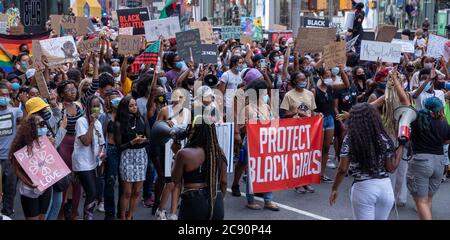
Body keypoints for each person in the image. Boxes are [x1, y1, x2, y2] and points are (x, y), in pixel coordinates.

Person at [329, 103, 405, 220]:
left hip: (363, 188)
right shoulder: (384, 138)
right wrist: (402, 145)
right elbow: (392, 167)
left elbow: (342, 169)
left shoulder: (350, 138)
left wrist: (334, 188)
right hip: (385, 188)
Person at [172, 116, 227, 220]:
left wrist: (175, 154)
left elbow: (175, 180)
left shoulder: (184, 154)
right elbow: (223, 181)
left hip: (194, 201)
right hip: (216, 199)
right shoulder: (219, 151)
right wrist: (221, 199)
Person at [407, 97, 450, 220]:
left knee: (421, 201)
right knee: (427, 200)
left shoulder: (417, 120)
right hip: (439, 163)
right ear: (440, 109)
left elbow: (406, 103)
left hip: (421, 162)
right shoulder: (444, 124)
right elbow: (446, 140)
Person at [8, 114, 53, 220]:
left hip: (46, 187)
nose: (43, 127)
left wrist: (52, 146)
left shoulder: (46, 142)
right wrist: (30, 184)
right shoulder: (22, 146)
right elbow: (17, 170)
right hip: (29, 190)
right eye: (40, 125)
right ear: (31, 128)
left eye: (44, 124)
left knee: (42, 218)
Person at [154, 88, 190, 220]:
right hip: (167, 148)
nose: (178, 99)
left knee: (178, 182)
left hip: (182, 150)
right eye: (176, 96)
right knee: (170, 182)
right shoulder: (165, 110)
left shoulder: (188, 113)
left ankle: (173, 212)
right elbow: (156, 130)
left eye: (181, 97)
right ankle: (160, 210)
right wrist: (164, 124)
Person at [114, 96, 150, 220]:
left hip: (141, 155)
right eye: (131, 106)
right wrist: (132, 142)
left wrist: (144, 140)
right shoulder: (119, 123)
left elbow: (149, 137)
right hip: (127, 155)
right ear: (124, 108)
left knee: (137, 191)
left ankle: (130, 216)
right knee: (127, 192)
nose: (135, 107)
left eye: (135, 105)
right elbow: (119, 146)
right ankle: (123, 217)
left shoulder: (142, 118)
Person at [313, 65, 350, 181]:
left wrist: (342, 70)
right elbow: (311, 107)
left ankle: (322, 173)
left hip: (329, 119)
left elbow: (346, 84)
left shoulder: (331, 87)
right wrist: (315, 114)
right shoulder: (315, 90)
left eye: (330, 76)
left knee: (326, 147)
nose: (329, 78)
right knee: (317, 147)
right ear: (321, 77)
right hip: (319, 120)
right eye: (326, 76)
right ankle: (312, 171)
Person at [72, 95, 106, 220]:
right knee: (91, 192)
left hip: (94, 161)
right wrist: (91, 124)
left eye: (98, 106)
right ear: (87, 107)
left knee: (94, 192)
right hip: (82, 162)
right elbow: (86, 141)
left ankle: (87, 215)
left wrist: (102, 154)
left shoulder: (98, 122)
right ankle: (87, 217)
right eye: (93, 106)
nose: (96, 109)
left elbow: (101, 142)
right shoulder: (81, 121)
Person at [0, 83, 22, 217]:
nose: (4, 97)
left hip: (9, 157)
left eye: (7, 94)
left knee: (10, 188)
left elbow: (25, 124)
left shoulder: (15, 111)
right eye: (2, 95)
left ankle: (7, 212)